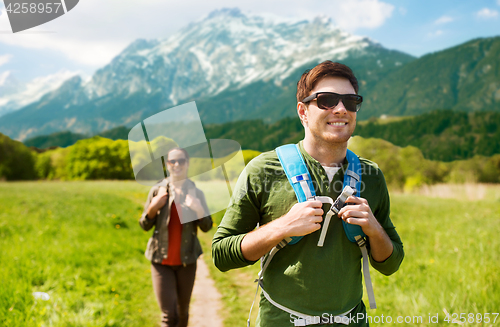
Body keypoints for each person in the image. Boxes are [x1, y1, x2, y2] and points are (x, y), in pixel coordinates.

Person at [212, 61, 404, 326]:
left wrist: (373, 228)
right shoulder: (263, 170)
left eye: (350, 101)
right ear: (302, 111)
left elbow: (391, 264)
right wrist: (282, 227)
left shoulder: (371, 176)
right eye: (326, 100)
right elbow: (222, 254)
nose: (340, 109)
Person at [139, 147, 212, 327]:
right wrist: (153, 208)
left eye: (181, 160)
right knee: (169, 316)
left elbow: (207, 226)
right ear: (167, 164)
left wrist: (198, 209)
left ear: (187, 164)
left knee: (182, 313)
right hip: (160, 261)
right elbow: (144, 225)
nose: (177, 164)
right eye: (173, 161)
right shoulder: (157, 191)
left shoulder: (196, 193)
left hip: (187, 261)